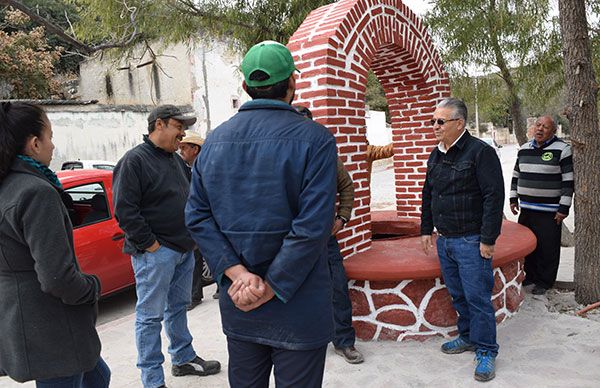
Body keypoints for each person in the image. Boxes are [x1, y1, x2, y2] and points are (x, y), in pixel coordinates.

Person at [186, 40, 337, 387]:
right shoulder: (315, 140)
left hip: (241, 302)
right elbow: (312, 227)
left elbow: (197, 216)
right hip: (297, 302)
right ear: (292, 84)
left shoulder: (214, 142)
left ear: (245, 87)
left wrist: (238, 276)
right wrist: (270, 287)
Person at [0, 102, 110, 387]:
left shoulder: (9, 185)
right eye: (50, 136)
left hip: (23, 319)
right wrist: (91, 287)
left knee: (99, 376)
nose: (53, 145)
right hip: (52, 327)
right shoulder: (36, 192)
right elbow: (56, 277)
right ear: (35, 143)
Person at [113, 105, 221, 388]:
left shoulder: (174, 161)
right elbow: (125, 211)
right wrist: (151, 245)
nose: (182, 132)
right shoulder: (134, 161)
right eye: (178, 125)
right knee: (149, 317)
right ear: (158, 125)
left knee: (178, 309)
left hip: (183, 250)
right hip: (156, 254)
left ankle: (183, 359)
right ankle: (152, 379)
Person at [420, 98, 504, 382]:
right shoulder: (436, 155)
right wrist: (425, 229)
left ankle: (486, 350)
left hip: (471, 241)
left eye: (440, 122)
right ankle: (467, 336)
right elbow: (428, 194)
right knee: (457, 294)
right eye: (433, 121)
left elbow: (494, 197)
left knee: (477, 298)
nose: (434, 126)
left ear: (459, 123)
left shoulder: (481, 153)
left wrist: (488, 239)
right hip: (445, 241)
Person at [294, 105, 363, 364]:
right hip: (294, 239)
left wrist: (342, 217)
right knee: (295, 290)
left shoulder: (326, 156)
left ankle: (344, 341)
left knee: (337, 289)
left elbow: (346, 185)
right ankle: (302, 341)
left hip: (325, 238)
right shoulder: (282, 156)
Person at [509, 115, 573, 295]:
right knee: (528, 246)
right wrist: (513, 199)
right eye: (538, 125)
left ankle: (545, 282)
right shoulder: (524, 149)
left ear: (553, 131)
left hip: (550, 211)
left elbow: (568, 181)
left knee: (548, 248)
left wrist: (563, 208)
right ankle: (529, 277)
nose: (540, 129)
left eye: (545, 127)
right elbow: (516, 175)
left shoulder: (562, 149)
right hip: (527, 209)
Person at [178, 130, 209, 310]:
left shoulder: (203, 167)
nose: (181, 151)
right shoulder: (187, 167)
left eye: (184, 148)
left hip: (205, 219)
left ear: (195, 149)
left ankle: (198, 293)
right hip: (196, 219)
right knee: (197, 256)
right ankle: (195, 294)